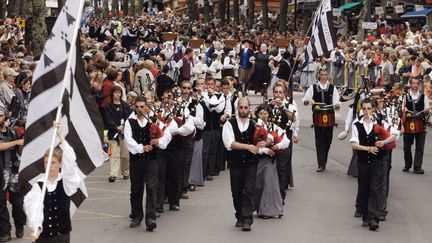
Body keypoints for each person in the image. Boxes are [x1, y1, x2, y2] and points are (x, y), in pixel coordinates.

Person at [24, 121, 80, 243]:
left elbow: (70, 164)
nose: (49, 166)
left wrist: (60, 136)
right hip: (44, 238)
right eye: (46, 163)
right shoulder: (38, 186)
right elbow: (34, 208)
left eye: (53, 163)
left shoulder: (66, 182)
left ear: (60, 164)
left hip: (62, 237)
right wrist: (36, 228)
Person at [124, 96, 172, 231]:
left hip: (152, 160)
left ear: (146, 107)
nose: (139, 109)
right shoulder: (130, 122)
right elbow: (129, 141)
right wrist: (141, 148)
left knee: (152, 188)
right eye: (137, 107)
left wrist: (159, 142)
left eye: (142, 106)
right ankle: (137, 216)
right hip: (136, 161)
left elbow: (166, 134)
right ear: (134, 107)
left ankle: (150, 218)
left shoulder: (154, 120)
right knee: (136, 189)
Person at [350, 98, 395, 231]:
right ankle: (366, 216)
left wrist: (384, 142)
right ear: (361, 110)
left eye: (369, 109)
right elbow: (353, 144)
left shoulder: (380, 121)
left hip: (378, 162)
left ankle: (374, 218)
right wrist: (367, 148)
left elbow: (394, 134)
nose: (367, 111)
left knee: (376, 189)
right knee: (364, 189)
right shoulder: (357, 124)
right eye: (364, 109)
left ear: (373, 109)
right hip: (363, 162)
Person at [222, 98, 259, 232]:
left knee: (249, 190)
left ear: (249, 108)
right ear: (237, 108)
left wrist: (262, 143)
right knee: (236, 191)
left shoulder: (255, 124)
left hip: (251, 163)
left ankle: (247, 219)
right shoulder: (229, 124)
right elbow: (230, 143)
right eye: (241, 107)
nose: (243, 110)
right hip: (236, 162)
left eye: (245, 107)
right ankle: (239, 215)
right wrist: (247, 146)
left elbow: (263, 138)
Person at [254, 104, 289, 219]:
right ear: (257, 114)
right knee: (259, 185)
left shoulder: (273, 127)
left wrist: (278, 146)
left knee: (270, 184)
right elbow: (253, 145)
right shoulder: (255, 126)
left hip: (270, 160)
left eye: (265, 113)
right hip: (258, 159)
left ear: (269, 115)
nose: (263, 115)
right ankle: (260, 207)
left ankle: (268, 210)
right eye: (261, 113)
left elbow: (285, 140)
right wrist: (264, 150)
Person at [303, 68, 340, 172]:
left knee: (328, 140)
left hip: (330, 116)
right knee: (319, 140)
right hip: (317, 116)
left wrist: (337, 105)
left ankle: (323, 160)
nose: (324, 77)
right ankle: (321, 164)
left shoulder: (332, 88)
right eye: (322, 75)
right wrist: (308, 101)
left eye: (325, 75)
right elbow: (305, 100)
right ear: (319, 76)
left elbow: (336, 101)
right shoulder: (313, 87)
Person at [0, 107, 25, 241]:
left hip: (14, 172)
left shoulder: (13, 132)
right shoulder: (13, 138)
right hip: (0, 173)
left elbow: (19, 152)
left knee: (18, 203)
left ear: (5, 117)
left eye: (1, 115)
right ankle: (5, 231)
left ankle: (20, 225)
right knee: (1, 205)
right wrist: (16, 142)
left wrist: (23, 141)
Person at [104, 86, 132, 182]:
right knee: (114, 154)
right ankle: (113, 174)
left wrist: (124, 126)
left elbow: (129, 117)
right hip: (113, 133)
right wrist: (116, 127)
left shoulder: (125, 106)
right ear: (112, 94)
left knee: (125, 155)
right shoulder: (108, 106)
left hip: (124, 133)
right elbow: (107, 120)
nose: (117, 95)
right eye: (116, 93)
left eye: (119, 93)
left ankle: (125, 172)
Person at [402, 78, 429, 174]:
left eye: (417, 83)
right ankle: (407, 165)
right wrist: (404, 110)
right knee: (406, 146)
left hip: (420, 124)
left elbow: (427, 111)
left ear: (419, 85)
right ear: (410, 84)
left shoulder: (423, 97)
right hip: (408, 124)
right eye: (413, 83)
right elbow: (402, 110)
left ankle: (417, 167)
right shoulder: (405, 97)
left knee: (420, 147)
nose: (415, 85)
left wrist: (426, 111)